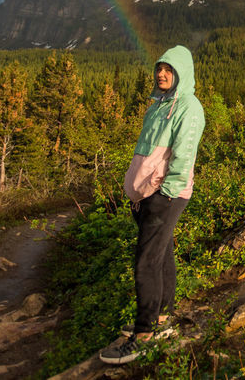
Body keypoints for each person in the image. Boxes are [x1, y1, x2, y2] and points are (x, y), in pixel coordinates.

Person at [100, 45, 205, 365]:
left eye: (169, 69)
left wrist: (166, 194)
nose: (161, 74)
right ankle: (161, 320)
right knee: (161, 256)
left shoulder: (189, 107)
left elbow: (184, 154)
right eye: (160, 68)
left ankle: (143, 334)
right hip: (148, 194)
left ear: (181, 73)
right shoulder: (158, 105)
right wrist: (139, 191)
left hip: (165, 195)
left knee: (145, 261)